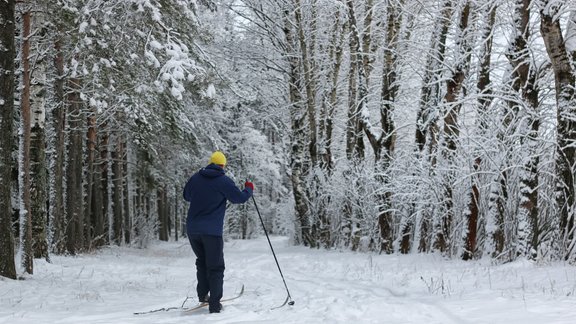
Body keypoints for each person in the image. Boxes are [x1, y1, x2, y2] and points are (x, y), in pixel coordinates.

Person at [183, 151, 254, 313]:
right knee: (215, 267)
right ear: (222, 165)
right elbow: (239, 198)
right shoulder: (223, 181)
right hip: (211, 232)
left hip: (193, 229)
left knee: (202, 261)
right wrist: (249, 189)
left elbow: (186, 196)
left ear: (210, 163)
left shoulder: (195, 178)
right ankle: (214, 305)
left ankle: (203, 296)